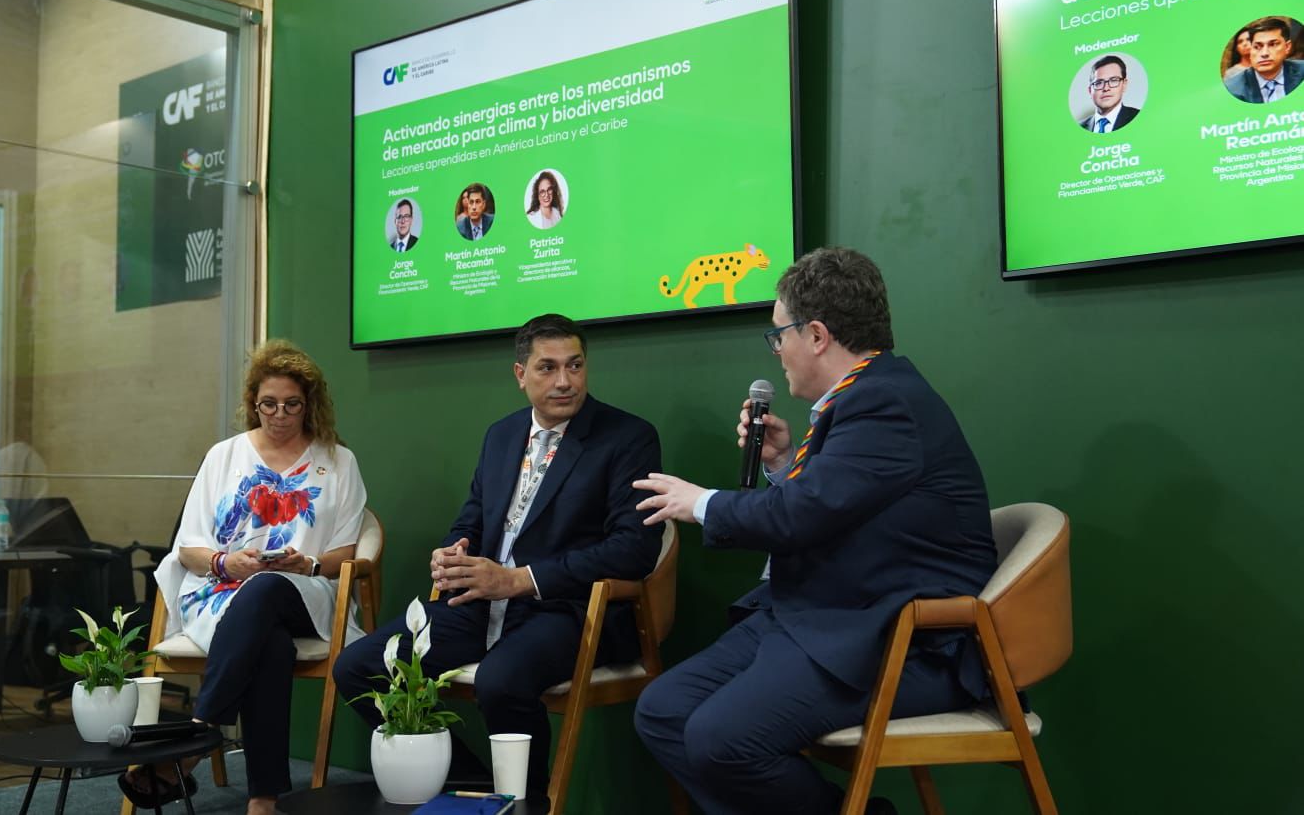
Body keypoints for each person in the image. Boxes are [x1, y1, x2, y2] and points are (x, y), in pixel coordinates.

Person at [630, 247, 997, 815]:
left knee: (721, 740)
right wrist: (780, 465)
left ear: (818, 335)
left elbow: (800, 519)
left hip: (900, 642)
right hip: (824, 614)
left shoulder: (884, 404)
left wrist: (699, 502)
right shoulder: (863, 397)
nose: (778, 351)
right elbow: (826, 509)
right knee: (664, 711)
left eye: (780, 335)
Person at [333, 313, 661, 802]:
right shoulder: (502, 435)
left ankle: (527, 800)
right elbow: (473, 519)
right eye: (548, 368)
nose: (565, 381)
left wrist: (520, 580)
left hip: (566, 608)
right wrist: (455, 552)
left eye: (575, 365)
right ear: (520, 375)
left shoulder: (627, 438)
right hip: (480, 602)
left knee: (501, 681)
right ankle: (479, 788)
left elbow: (633, 549)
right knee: (359, 666)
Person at [119, 339, 367, 815]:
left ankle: (193, 741)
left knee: (269, 587)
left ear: (309, 404)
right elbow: (188, 548)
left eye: (291, 405)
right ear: (253, 403)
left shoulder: (338, 461)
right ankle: (264, 797)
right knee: (269, 644)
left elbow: (344, 553)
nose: (278, 415)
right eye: (267, 404)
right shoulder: (224, 456)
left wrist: (307, 564)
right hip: (221, 591)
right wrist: (223, 564)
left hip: (304, 592)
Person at [1224, 16, 1304, 103]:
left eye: (1273, 44)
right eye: (1257, 47)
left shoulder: (1301, 72)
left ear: (1287, 47)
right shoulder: (1233, 89)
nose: (1264, 53)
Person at [1079, 55, 1140, 133]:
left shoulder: (1139, 117)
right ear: (1090, 91)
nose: (1106, 88)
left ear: (1124, 85)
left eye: (1113, 80)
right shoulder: (1080, 127)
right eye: (1099, 83)